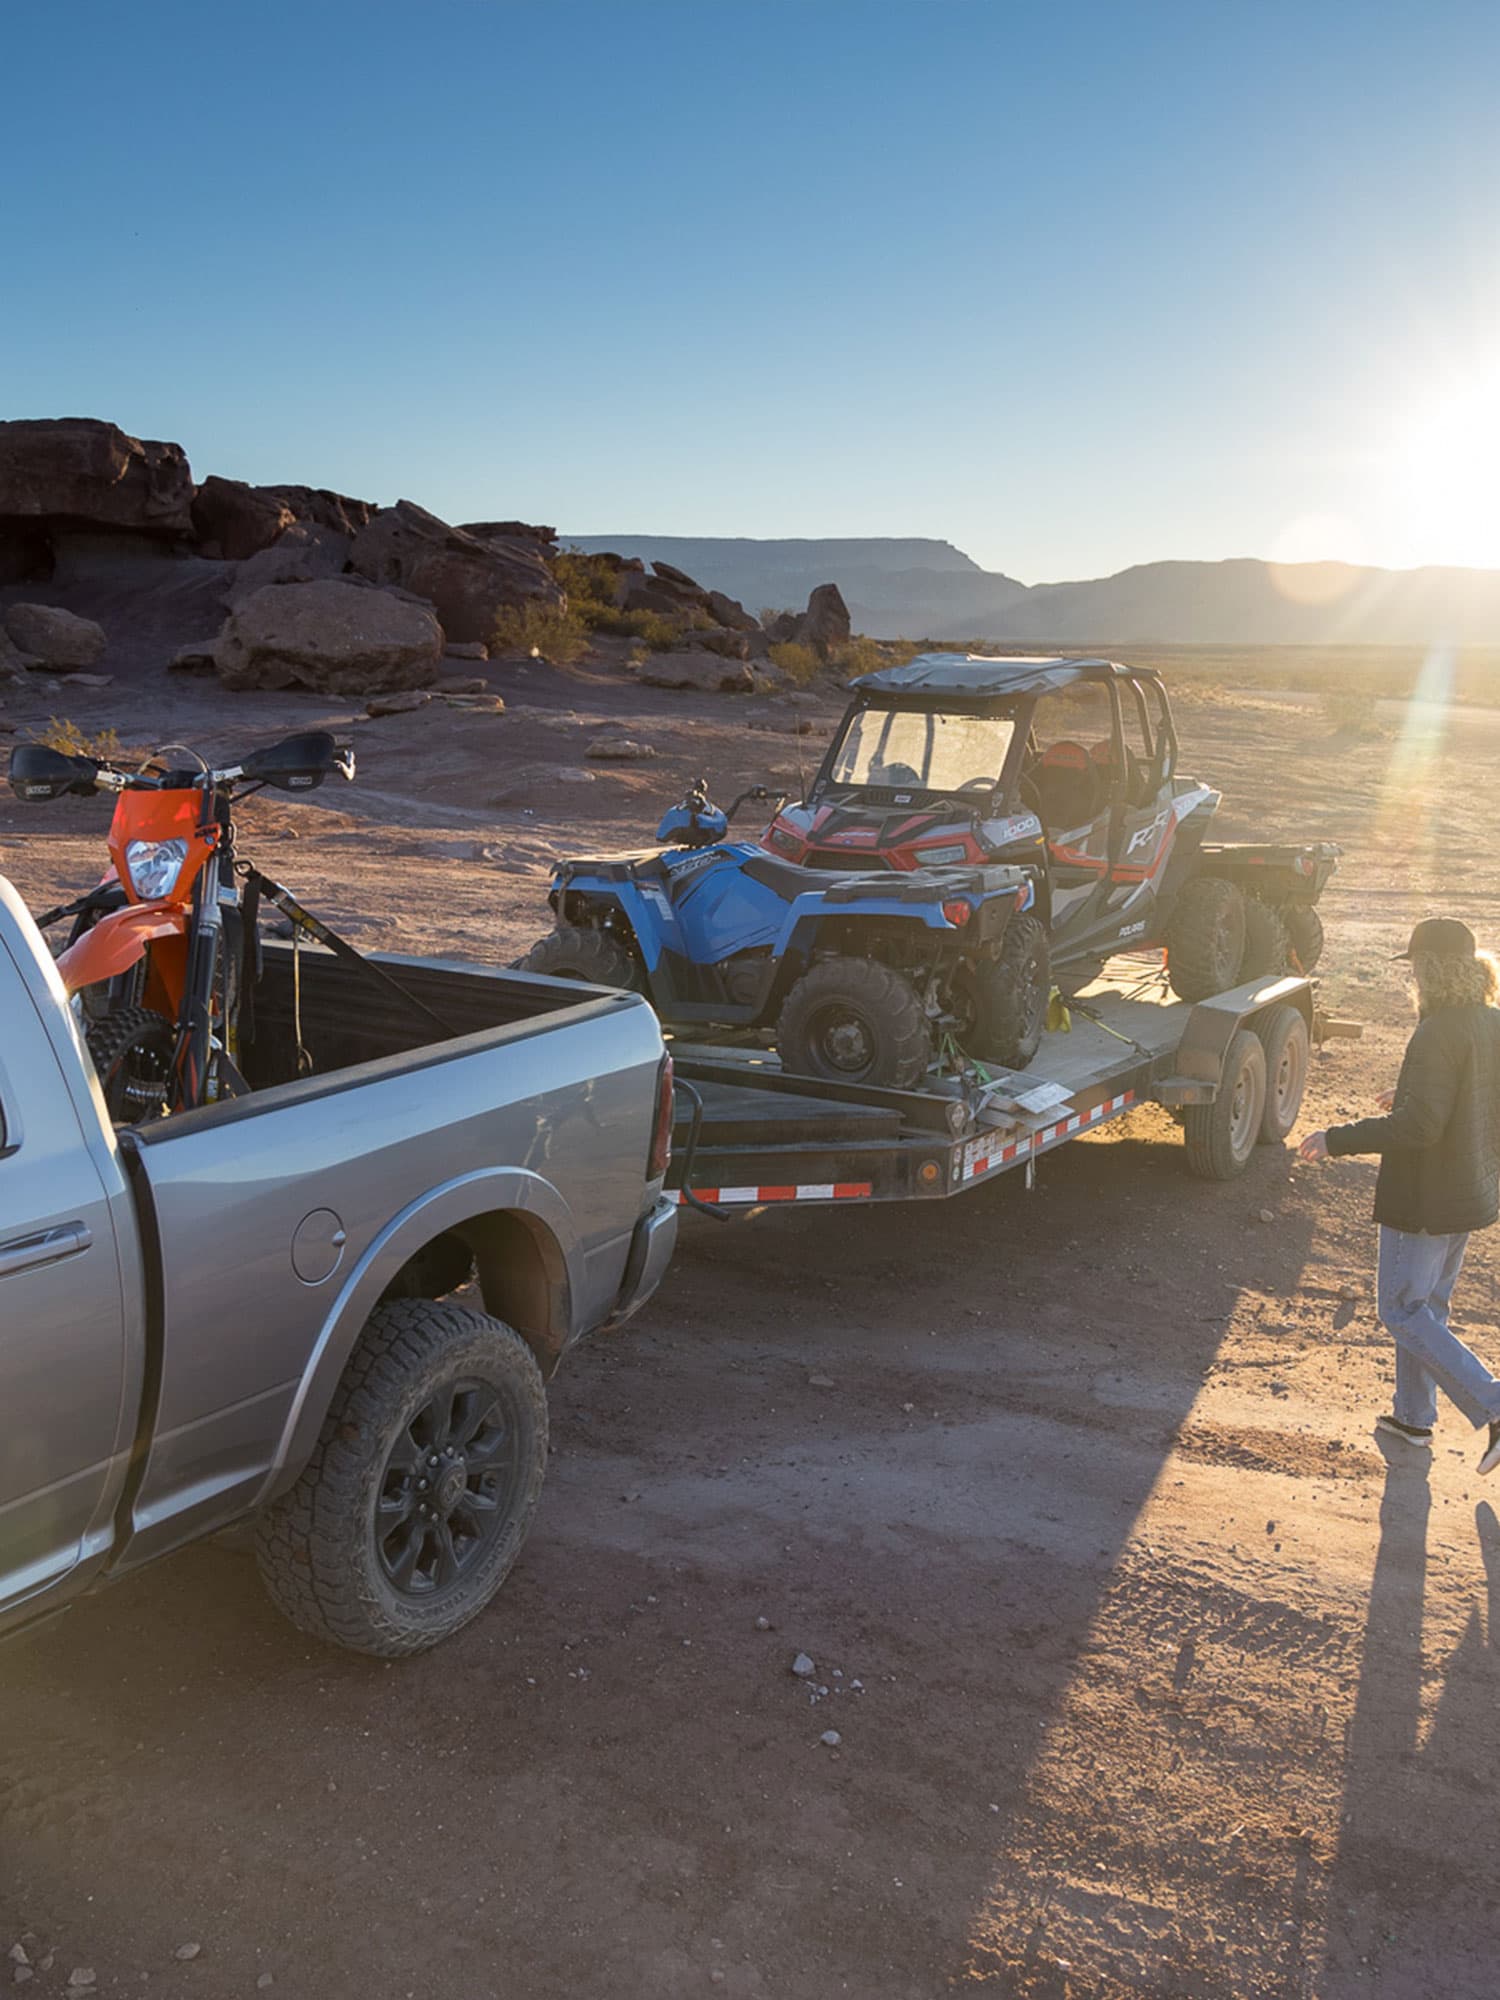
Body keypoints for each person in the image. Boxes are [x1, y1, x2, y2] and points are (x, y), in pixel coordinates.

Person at [1300, 917, 1500, 1470]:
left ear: (1431, 969)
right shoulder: (1489, 1022)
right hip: (1467, 1192)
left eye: (1415, 965)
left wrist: (1336, 1138)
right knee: (1427, 1310)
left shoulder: (1437, 1031)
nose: (1410, 975)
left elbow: (1420, 1129)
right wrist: (1409, 1092)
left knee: (1401, 1312)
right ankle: (1413, 1418)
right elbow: (1474, 1096)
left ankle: (1494, 1403)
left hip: (1425, 1199)